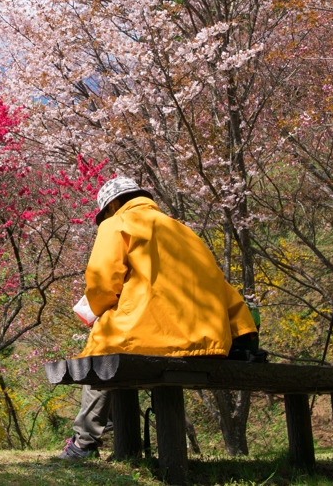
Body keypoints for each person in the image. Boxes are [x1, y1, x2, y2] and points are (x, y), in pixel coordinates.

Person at [58, 176, 256, 460]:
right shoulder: (185, 232)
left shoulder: (116, 223)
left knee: (99, 353)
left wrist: (96, 308)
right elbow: (219, 286)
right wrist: (243, 330)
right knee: (111, 348)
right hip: (204, 342)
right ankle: (109, 426)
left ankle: (84, 444)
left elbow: (103, 283)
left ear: (113, 205)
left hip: (147, 337)